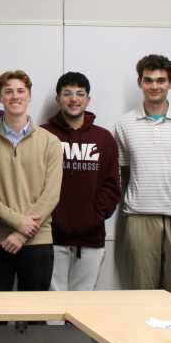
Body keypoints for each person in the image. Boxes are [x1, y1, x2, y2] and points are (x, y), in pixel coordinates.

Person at [114, 54, 171, 300]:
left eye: (161, 80)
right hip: (139, 216)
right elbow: (124, 171)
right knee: (143, 295)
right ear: (140, 82)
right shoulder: (124, 124)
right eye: (149, 80)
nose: (154, 86)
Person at [0, 70, 62, 292]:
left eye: (20, 91)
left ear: (29, 95)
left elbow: (51, 195)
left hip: (38, 242)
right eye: (8, 91)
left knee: (35, 318)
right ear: (0, 97)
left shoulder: (50, 142)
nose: (15, 96)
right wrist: (18, 223)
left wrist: (22, 233)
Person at [41, 72, 120, 292]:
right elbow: (34, 184)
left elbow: (112, 185)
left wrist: (93, 216)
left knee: (82, 306)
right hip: (50, 236)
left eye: (80, 94)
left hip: (91, 238)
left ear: (88, 99)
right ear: (58, 99)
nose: (74, 99)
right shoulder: (43, 135)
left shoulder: (104, 139)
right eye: (67, 93)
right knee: (52, 305)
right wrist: (51, 217)